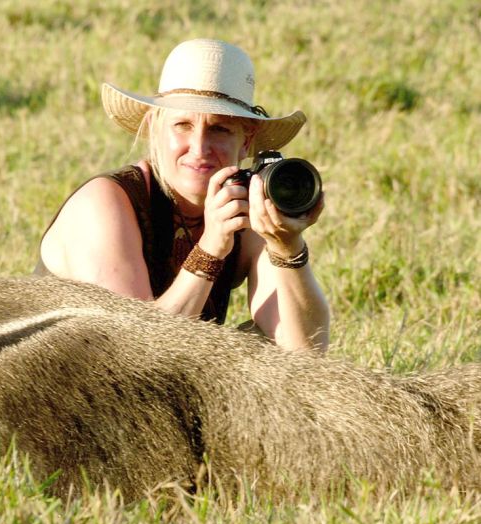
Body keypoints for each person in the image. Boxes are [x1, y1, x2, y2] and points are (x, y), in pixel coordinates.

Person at [34, 38, 330, 353]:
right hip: (57, 386)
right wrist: (211, 249)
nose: (199, 148)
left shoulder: (244, 203)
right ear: (154, 128)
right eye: (183, 125)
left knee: (265, 353)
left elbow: (304, 352)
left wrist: (287, 247)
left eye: (220, 129)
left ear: (247, 142)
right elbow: (135, 352)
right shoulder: (105, 203)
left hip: (141, 389)